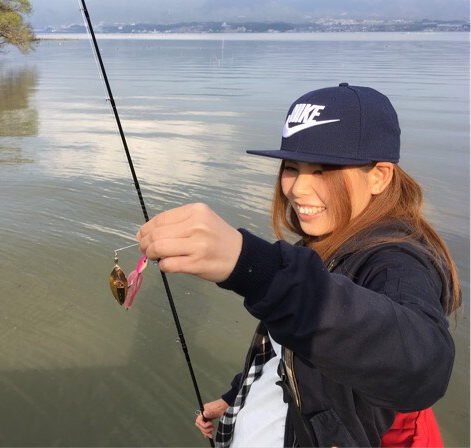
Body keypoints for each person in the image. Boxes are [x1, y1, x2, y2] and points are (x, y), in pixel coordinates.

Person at [135, 83, 459, 447]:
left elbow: (424, 367)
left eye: (324, 170)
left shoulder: (397, 260)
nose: (298, 188)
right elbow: (291, 351)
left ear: (379, 176)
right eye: (292, 167)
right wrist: (236, 395)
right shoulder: (330, 237)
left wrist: (252, 265)